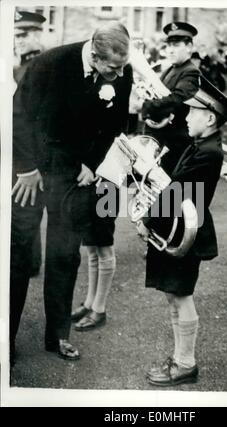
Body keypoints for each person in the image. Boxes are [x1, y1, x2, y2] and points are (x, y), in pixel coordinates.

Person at [11, 21, 133, 364]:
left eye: (122, 67)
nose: (119, 74)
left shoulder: (122, 70)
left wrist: (92, 163)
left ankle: (57, 336)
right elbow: (16, 116)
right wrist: (27, 169)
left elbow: (116, 124)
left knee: (65, 255)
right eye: (112, 68)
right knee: (18, 255)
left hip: (73, 172)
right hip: (29, 169)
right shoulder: (49, 64)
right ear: (94, 56)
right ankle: (6, 339)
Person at [137, 75, 227, 386]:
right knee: (174, 295)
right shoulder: (200, 143)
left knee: (181, 297)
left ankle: (185, 363)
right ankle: (181, 358)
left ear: (209, 118)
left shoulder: (208, 151)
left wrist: (146, 220)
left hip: (182, 231)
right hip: (177, 226)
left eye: (193, 111)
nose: (187, 115)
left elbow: (175, 195)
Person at [141, 21, 200, 175]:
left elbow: (178, 100)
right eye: (169, 46)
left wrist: (148, 106)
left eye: (176, 45)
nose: (170, 50)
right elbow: (157, 93)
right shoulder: (170, 69)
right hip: (163, 138)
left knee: (167, 188)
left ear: (189, 47)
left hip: (175, 142)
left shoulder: (191, 71)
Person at [14, 10, 47, 277]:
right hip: (20, 155)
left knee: (25, 216)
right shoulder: (17, 66)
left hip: (34, 157)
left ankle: (25, 267)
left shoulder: (42, 66)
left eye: (24, 34)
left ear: (38, 34)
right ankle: (29, 264)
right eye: (17, 34)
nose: (19, 40)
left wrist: (29, 165)